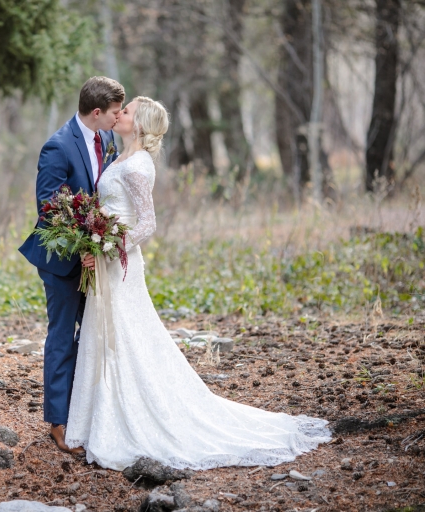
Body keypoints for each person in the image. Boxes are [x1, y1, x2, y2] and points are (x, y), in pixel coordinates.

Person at [65, 96, 332, 470]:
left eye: (127, 110)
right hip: (108, 261)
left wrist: (110, 247)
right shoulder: (121, 157)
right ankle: (98, 419)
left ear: (139, 123)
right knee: (108, 333)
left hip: (120, 264)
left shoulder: (138, 165)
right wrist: (94, 238)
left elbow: (147, 223)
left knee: (125, 335)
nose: (120, 113)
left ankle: (135, 417)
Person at [19, 76, 124, 454]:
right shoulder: (58, 146)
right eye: (114, 113)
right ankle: (58, 421)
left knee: (94, 334)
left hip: (96, 257)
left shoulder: (107, 138)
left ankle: (86, 410)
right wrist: (81, 248)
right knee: (63, 337)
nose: (118, 118)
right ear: (96, 112)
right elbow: (48, 208)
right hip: (62, 262)